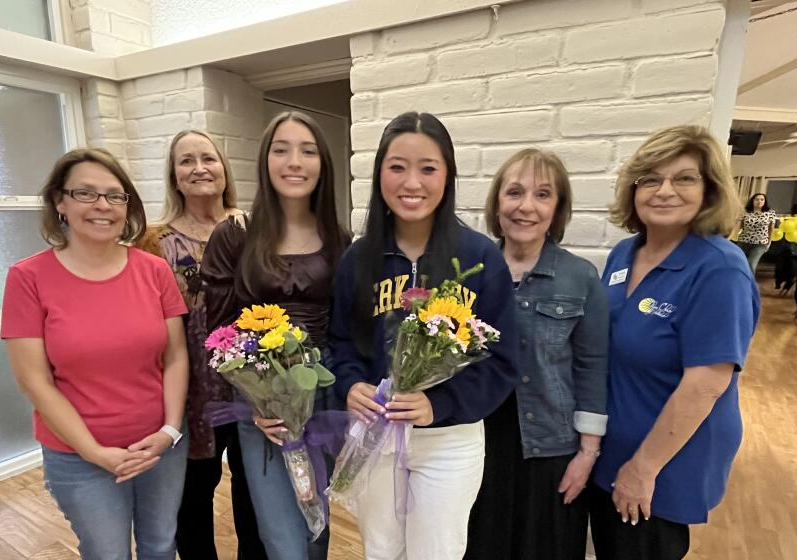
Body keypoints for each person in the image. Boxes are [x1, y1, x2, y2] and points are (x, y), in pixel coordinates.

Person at [329, 111, 519, 560]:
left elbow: (502, 359)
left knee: (437, 552)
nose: (411, 182)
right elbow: (340, 342)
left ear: (447, 175)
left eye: (428, 168)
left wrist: (441, 404)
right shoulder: (358, 260)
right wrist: (350, 385)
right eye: (397, 166)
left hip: (448, 441)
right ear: (379, 174)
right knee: (381, 551)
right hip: (375, 433)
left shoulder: (479, 257)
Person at [1, 148, 189, 560]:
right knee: (108, 554)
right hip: (79, 456)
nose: (102, 206)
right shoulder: (27, 278)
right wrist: (93, 451)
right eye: (86, 193)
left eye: (114, 195)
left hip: (160, 445)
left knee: (161, 545)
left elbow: (176, 357)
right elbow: (34, 381)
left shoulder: (154, 270)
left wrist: (170, 430)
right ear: (60, 202)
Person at [589, 125, 760, 560]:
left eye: (683, 178)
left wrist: (643, 469)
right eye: (650, 179)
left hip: (664, 462)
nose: (664, 190)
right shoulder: (624, 253)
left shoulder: (720, 269)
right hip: (613, 447)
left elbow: (705, 384)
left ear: (710, 190)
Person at [202, 111, 350, 560]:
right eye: (281, 149)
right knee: (281, 539)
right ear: (265, 161)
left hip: (322, 402)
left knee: (316, 528)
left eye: (307, 151)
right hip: (259, 407)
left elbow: (347, 329)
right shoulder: (235, 235)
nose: (294, 161)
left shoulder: (339, 239)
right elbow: (217, 331)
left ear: (322, 163)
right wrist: (256, 393)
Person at [464, 149, 608, 560]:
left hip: (551, 446)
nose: (526, 206)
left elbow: (593, 367)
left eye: (543, 195)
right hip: (478, 441)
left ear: (557, 208)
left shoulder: (580, 277)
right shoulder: (469, 270)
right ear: (497, 203)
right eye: (514, 193)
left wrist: (587, 453)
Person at [136, 129, 266, 559]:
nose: (198, 168)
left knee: (255, 492)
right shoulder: (152, 242)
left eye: (207, 158)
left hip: (254, 387)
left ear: (224, 169)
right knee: (193, 497)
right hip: (188, 390)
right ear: (174, 176)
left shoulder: (256, 228)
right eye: (186, 161)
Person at [735, 192, 777, 274]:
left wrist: (769, 242)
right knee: (740, 263)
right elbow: (737, 226)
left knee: (751, 264)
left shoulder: (770, 213)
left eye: (762, 199)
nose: (759, 201)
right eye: (757, 199)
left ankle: (749, 285)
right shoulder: (744, 212)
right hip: (744, 242)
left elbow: (771, 228)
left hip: (760, 243)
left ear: (765, 201)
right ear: (752, 201)